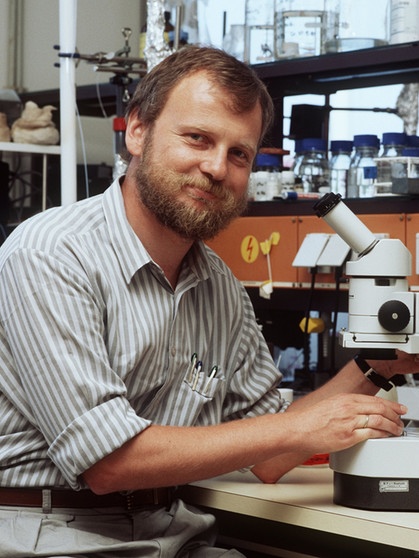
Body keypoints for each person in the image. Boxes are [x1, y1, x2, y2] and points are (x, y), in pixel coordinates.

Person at [0, 45, 417, 558]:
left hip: (171, 531)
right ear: (137, 131)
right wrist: (292, 426)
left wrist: (376, 366)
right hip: (54, 533)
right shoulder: (51, 254)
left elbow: (271, 454)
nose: (217, 168)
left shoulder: (218, 285)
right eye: (197, 138)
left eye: (238, 153)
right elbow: (107, 463)